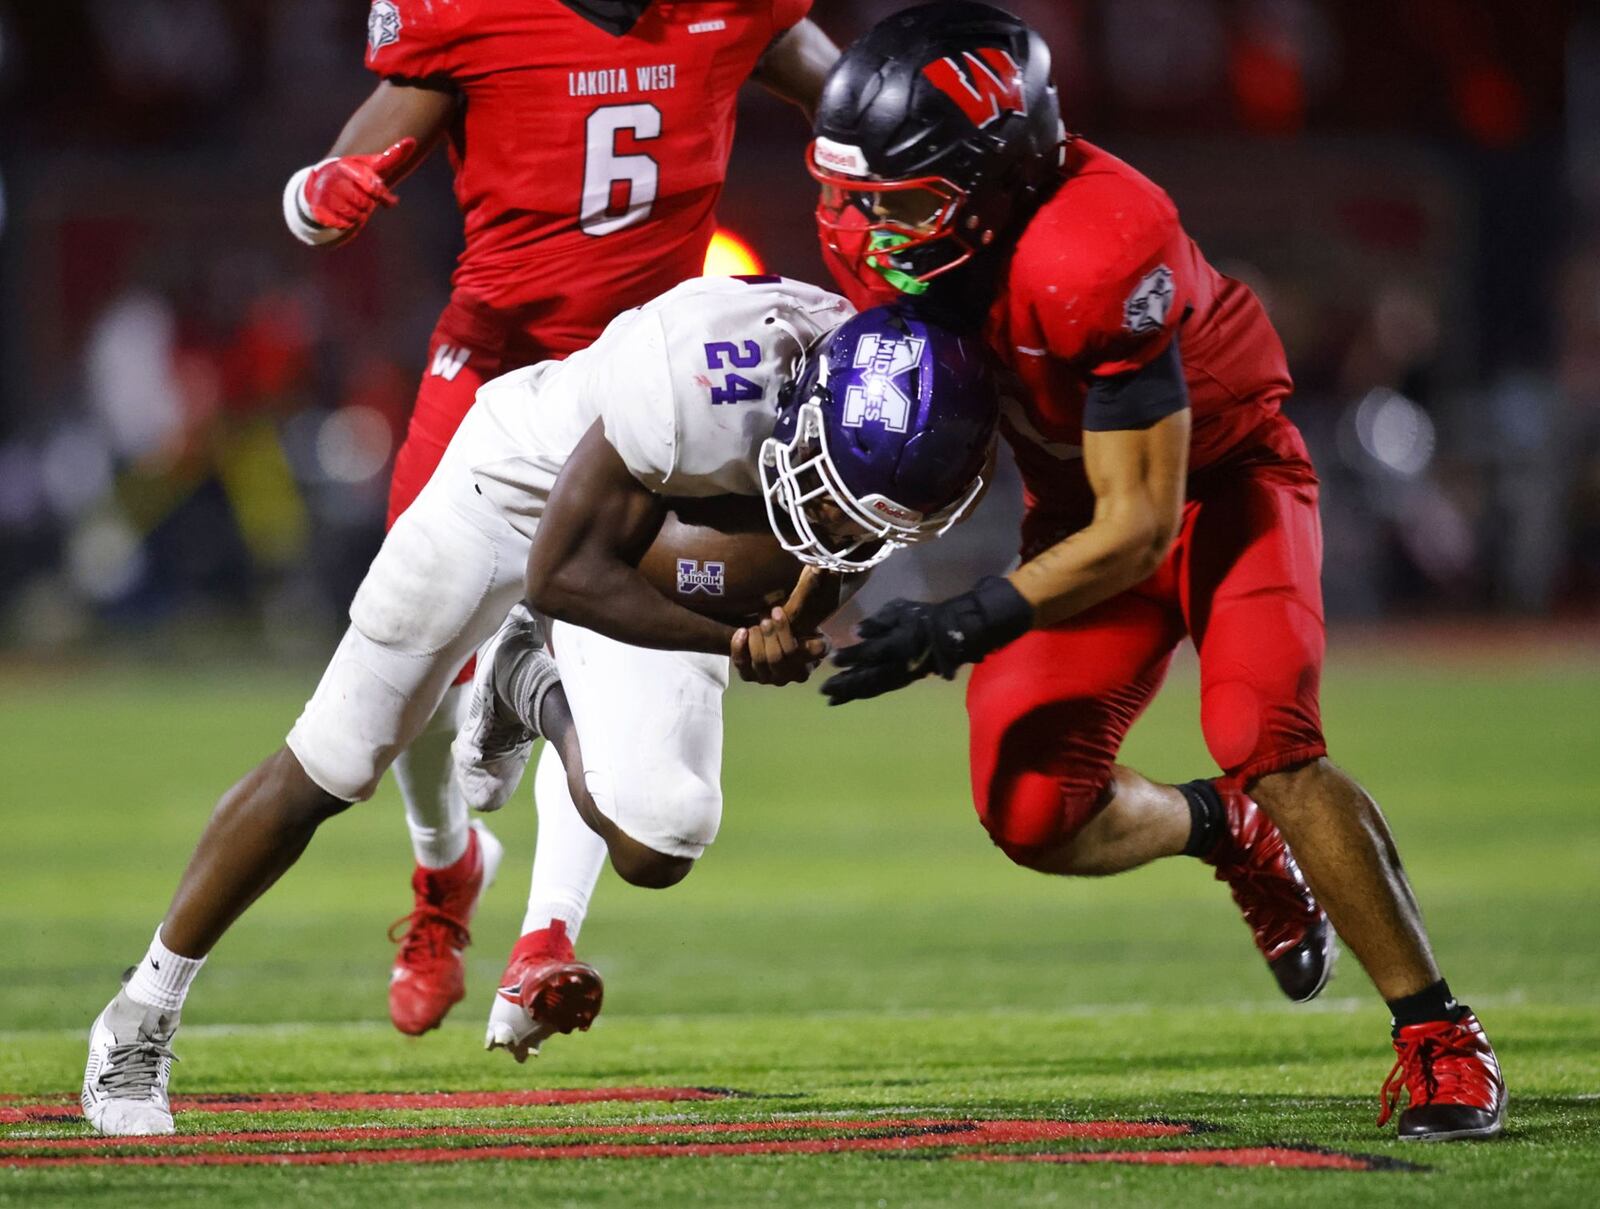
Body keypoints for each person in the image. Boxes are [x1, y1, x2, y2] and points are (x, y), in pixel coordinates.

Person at [806, 2, 1504, 1142]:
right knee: (1031, 812)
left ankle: (1438, 1036)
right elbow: (903, 455)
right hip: (1079, 509)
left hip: (1220, 489)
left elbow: (1138, 527)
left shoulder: (1100, 243)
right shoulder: (909, 236)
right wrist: (802, 601)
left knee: (1269, 741)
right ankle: (1225, 832)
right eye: (852, 195)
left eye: (903, 200)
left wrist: (969, 617)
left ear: (1005, 169)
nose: (862, 228)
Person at [80, 276, 1001, 1135]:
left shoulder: (892, 426)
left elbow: (847, 533)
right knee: (333, 762)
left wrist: (789, 624)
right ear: (804, 409)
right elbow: (563, 573)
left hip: (669, 534)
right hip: (517, 491)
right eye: (834, 489)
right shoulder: (696, 377)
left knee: (662, 837)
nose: (844, 519)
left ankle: (529, 688)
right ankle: (137, 1017)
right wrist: (733, 640)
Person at [283, 0, 839, 1037]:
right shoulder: (480, 14)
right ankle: (445, 875)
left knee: (606, 632)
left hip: (652, 390)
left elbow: (851, 104)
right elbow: (339, 172)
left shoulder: (729, 11)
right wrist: (322, 195)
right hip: (497, 364)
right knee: (416, 651)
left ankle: (546, 937)